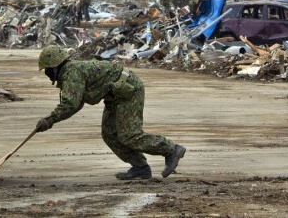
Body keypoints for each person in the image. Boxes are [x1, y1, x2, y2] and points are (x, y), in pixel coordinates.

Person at [36, 45, 186, 180]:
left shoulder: (72, 72)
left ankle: (171, 149)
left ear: (55, 66)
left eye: (47, 69)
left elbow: (70, 104)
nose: (47, 74)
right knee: (109, 133)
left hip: (128, 90)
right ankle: (140, 167)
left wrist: (50, 120)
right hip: (115, 95)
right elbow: (76, 103)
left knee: (130, 135)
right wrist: (51, 119)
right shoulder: (70, 72)